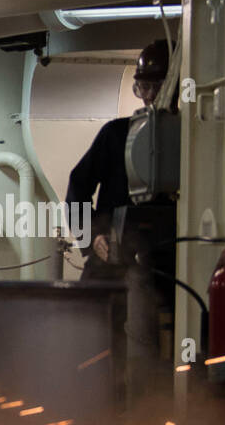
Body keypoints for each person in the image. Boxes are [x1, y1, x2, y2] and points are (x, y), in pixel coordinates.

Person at [65, 39, 169, 279]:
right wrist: (93, 235)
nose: (150, 95)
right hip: (111, 264)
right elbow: (78, 186)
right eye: (145, 87)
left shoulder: (193, 145)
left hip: (165, 265)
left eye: (159, 86)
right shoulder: (116, 134)